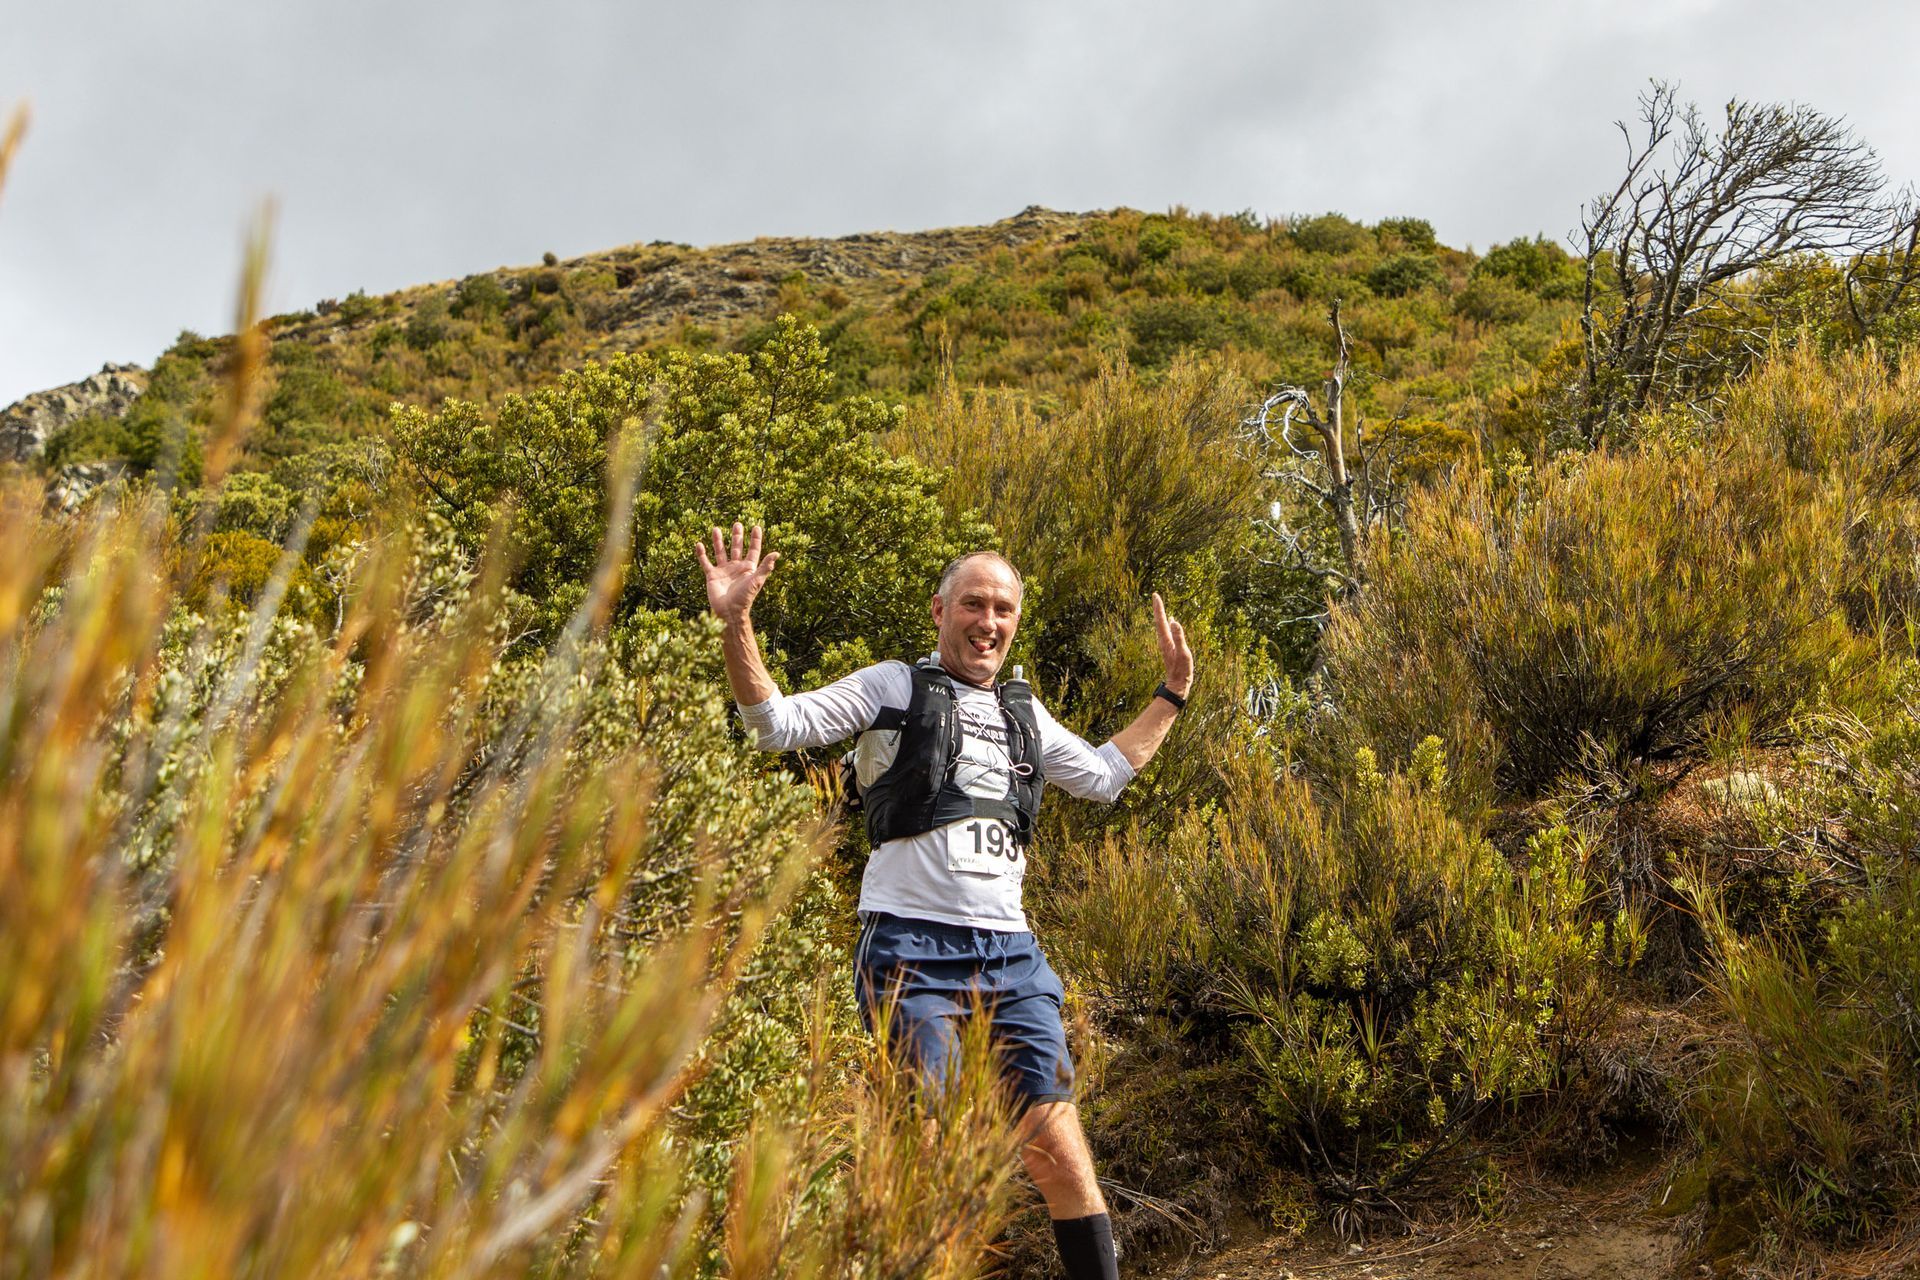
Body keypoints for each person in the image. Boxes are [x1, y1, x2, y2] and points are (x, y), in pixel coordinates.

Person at [699, 522, 1192, 1280]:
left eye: (1002, 609)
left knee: (1059, 1153)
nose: (987, 622)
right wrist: (736, 623)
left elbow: (1102, 776)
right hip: (909, 949)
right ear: (939, 610)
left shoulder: (1025, 714)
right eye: (973, 604)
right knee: (928, 1150)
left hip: (1012, 958)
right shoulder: (893, 687)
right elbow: (775, 725)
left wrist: (1172, 693)